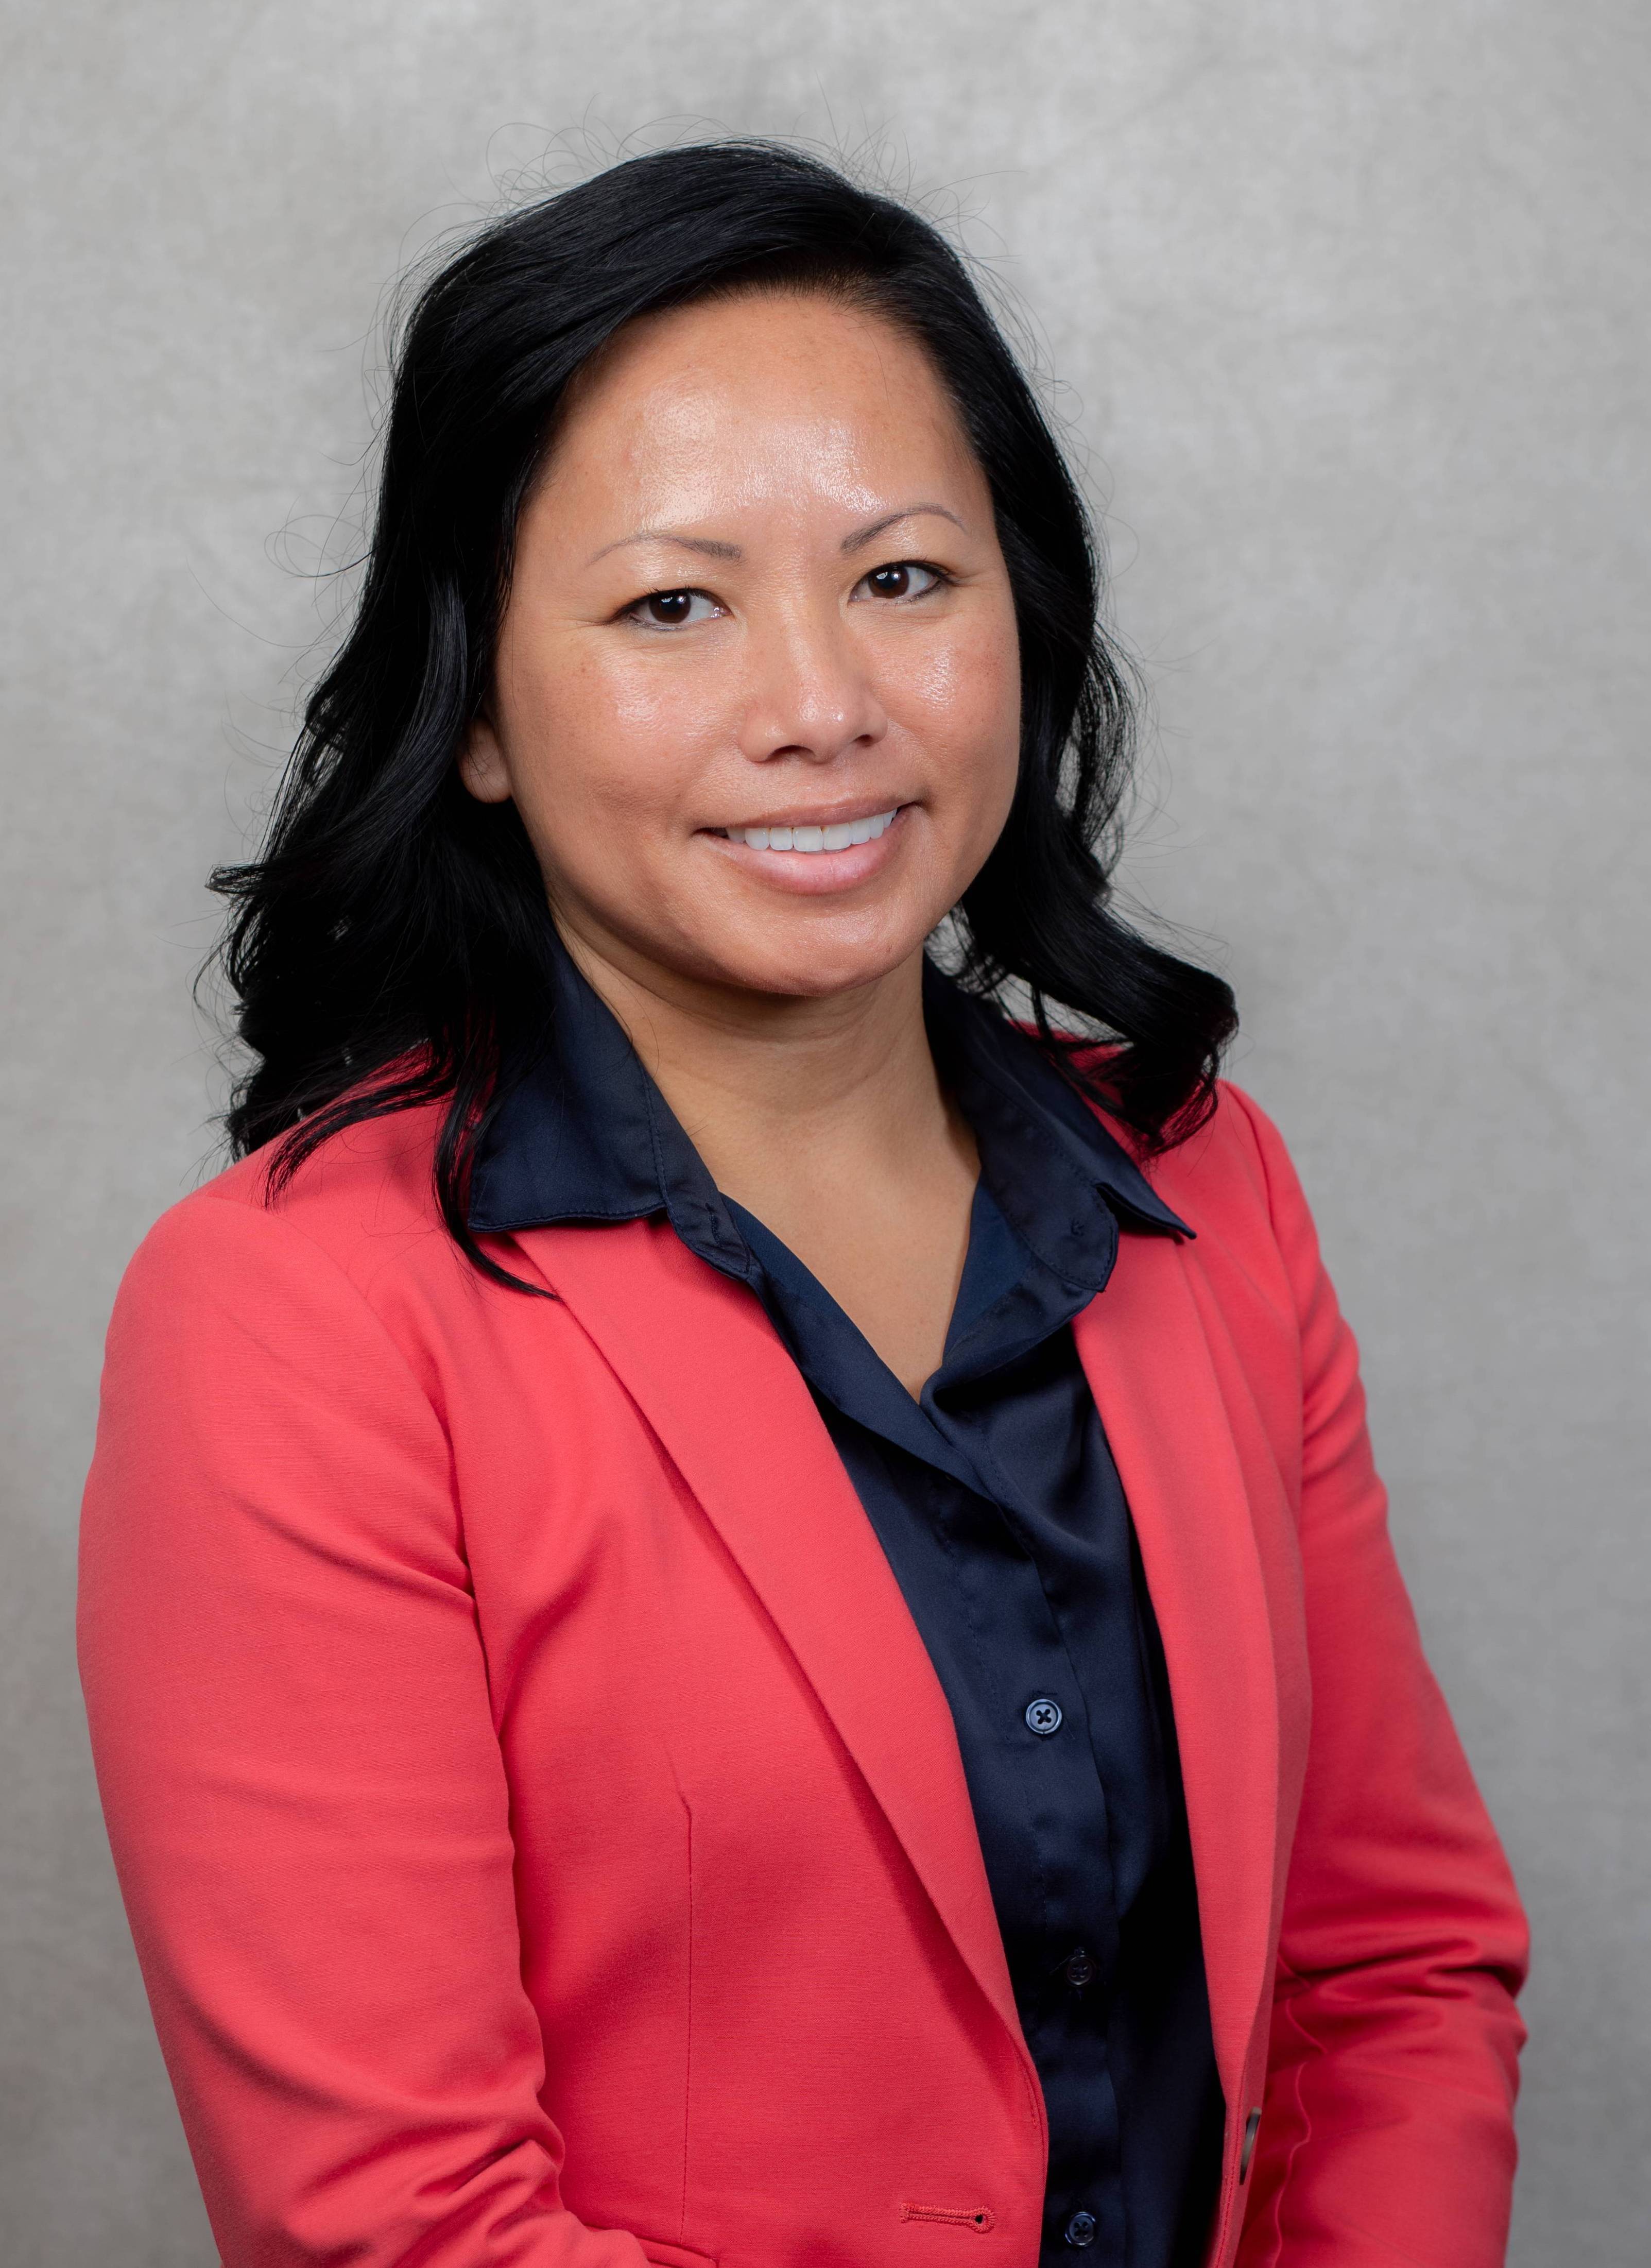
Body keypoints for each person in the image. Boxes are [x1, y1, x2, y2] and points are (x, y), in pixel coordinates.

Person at [77, 142, 1527, 2268]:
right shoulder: (298, 1313)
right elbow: (400, 2224)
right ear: (475, 708)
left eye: (906, 579)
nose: (821, 706)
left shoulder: (1207, 1186)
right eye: (674, 603)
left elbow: (1387, 1973)